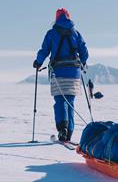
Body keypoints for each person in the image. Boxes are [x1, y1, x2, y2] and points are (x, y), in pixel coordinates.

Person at [33, 8, 89, 142]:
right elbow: (84, 52)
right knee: (70, 101)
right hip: (74, 73)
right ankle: (69, 132)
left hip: (59, 72)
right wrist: (83, 61)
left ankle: (62, 130)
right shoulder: (76, 33)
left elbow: (44, 50)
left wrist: (38, 62)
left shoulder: (51, 33)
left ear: (57, 19)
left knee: (60, 101)